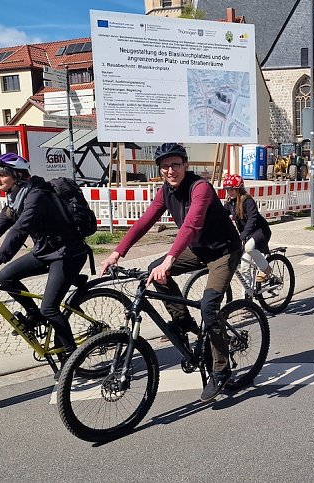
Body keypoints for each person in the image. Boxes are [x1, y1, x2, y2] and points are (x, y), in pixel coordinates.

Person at [101, 143, 241, 402]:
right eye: (165, 166)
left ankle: (221, 370)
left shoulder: (201, 188)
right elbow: (144, 222)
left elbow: (191, 225)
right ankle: (183, 322)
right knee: (154, 270)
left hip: (224, 252)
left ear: (186, 165)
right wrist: (117, 252)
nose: (170, 170)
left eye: (175, 165)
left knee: (209, 307)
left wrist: (170, 259)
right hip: (199, 249)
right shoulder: (165, 192)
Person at [0, 153, 91, 360]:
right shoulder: (17, 196)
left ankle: (72, 359)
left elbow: (19, 230)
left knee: (50, 308)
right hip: (45, 252)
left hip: (67, 254)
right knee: (6, 277)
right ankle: (34, 315)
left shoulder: (37, 196)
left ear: (17, 175)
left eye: (1, 174)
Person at [222, 174, 275, 283]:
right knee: (244, 268)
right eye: (227, 190)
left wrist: (242, 236)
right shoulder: (230, 203)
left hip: (260, 231)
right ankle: (246, 297)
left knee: (249, 247)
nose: (229, 192)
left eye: (232, 189)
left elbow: (252, 219)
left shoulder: (248, 201)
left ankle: (266, 269)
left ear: (239, 189)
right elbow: (221, 216)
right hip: (247, 235)